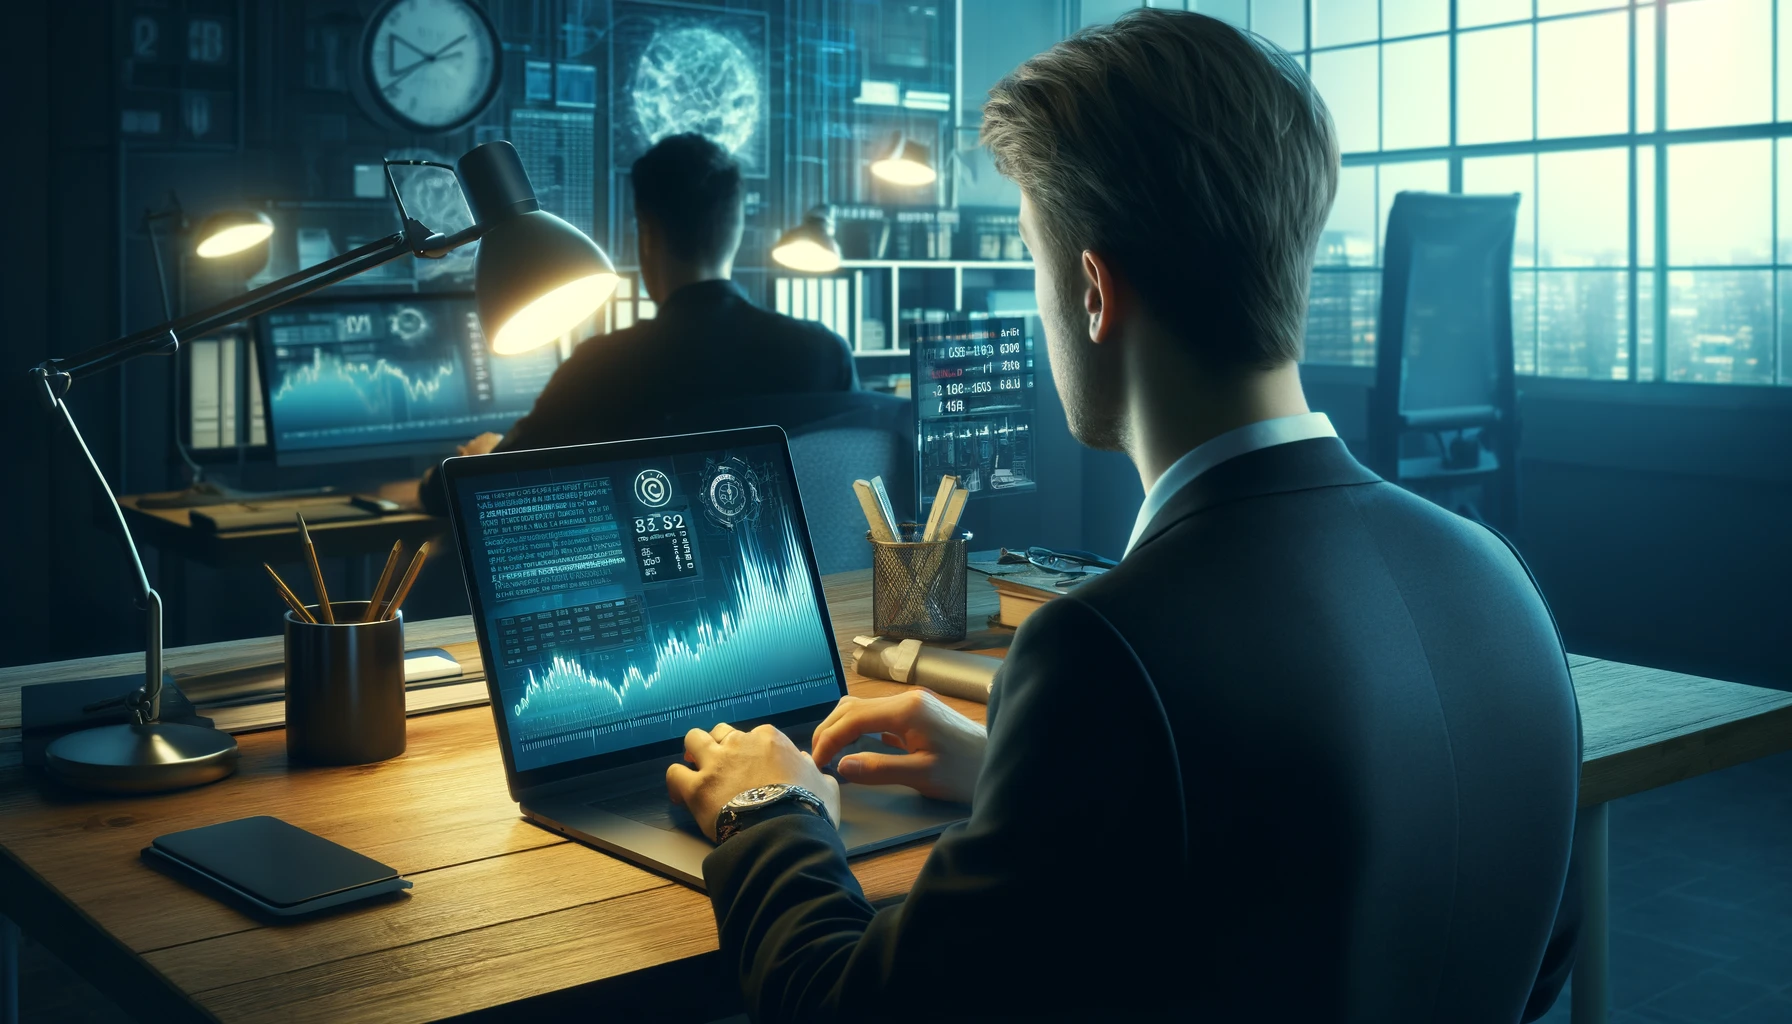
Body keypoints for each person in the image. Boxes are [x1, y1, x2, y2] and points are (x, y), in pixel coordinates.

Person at [662, 10, 1582, 1022]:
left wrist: (773, 810)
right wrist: (1016, 781)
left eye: (1033, 265)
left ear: (1091, 292)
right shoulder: (1498, 577)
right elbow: (1523, 952)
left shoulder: (1105, 652)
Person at [420, 132, 856, 514]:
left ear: (646, 232)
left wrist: (475, 461)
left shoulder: (606, 364)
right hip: (807, 589)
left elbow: (480, 486)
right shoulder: (824, 352)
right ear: (735, 228)